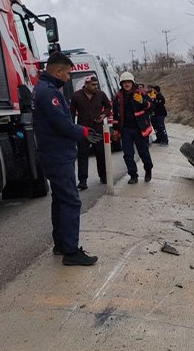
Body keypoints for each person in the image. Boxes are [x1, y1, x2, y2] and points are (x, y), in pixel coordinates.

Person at [32, 52, 98, 266]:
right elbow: (61, 124)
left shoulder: (43, 88)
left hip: (53, 153)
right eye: (68, 74)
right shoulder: (48, 92)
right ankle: (71, 251)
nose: (69, 78)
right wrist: (84, 131)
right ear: (58, 71)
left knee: (60, 199)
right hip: (57, 154)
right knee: (70, 201)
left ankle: (61, 244)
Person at [70, 75, 112, 190]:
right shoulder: (76, 96)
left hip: (97, 129)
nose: (95, 87)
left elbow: (108, 106)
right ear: (86, 84)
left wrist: (103, 115)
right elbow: (71, 113)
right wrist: (72, 128)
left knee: (101, 154)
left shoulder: (100, 94)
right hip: (83, 130)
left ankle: (103, 176)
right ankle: (82, 181)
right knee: (82, 155)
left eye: (96, 84)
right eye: (93, 85)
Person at [113, 71, 154, 183]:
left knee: (143, 152)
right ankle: (133, 175)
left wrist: (142, 102)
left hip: (140, 128)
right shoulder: (117, 97)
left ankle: (148, 170)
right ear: (121, 84)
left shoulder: (140, 93)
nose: (127, 84)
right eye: (124, 82)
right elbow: (115, 115)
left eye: (129, 82)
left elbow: (151, 107)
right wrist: (116, 130)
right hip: (126, 129)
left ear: (132, 83)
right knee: (128, 154)